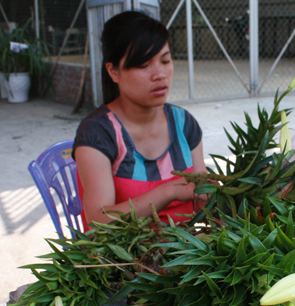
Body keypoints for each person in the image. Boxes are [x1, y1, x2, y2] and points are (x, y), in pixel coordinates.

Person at [73, 11, 209, 227]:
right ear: (114, 71)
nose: (159, 74)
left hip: (186, 248)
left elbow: (202, 191)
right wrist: (169, 191)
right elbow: (99, 220)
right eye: (143, 65)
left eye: (165, 61)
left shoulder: (184, 123)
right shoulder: (98, 133)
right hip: (124, 255)